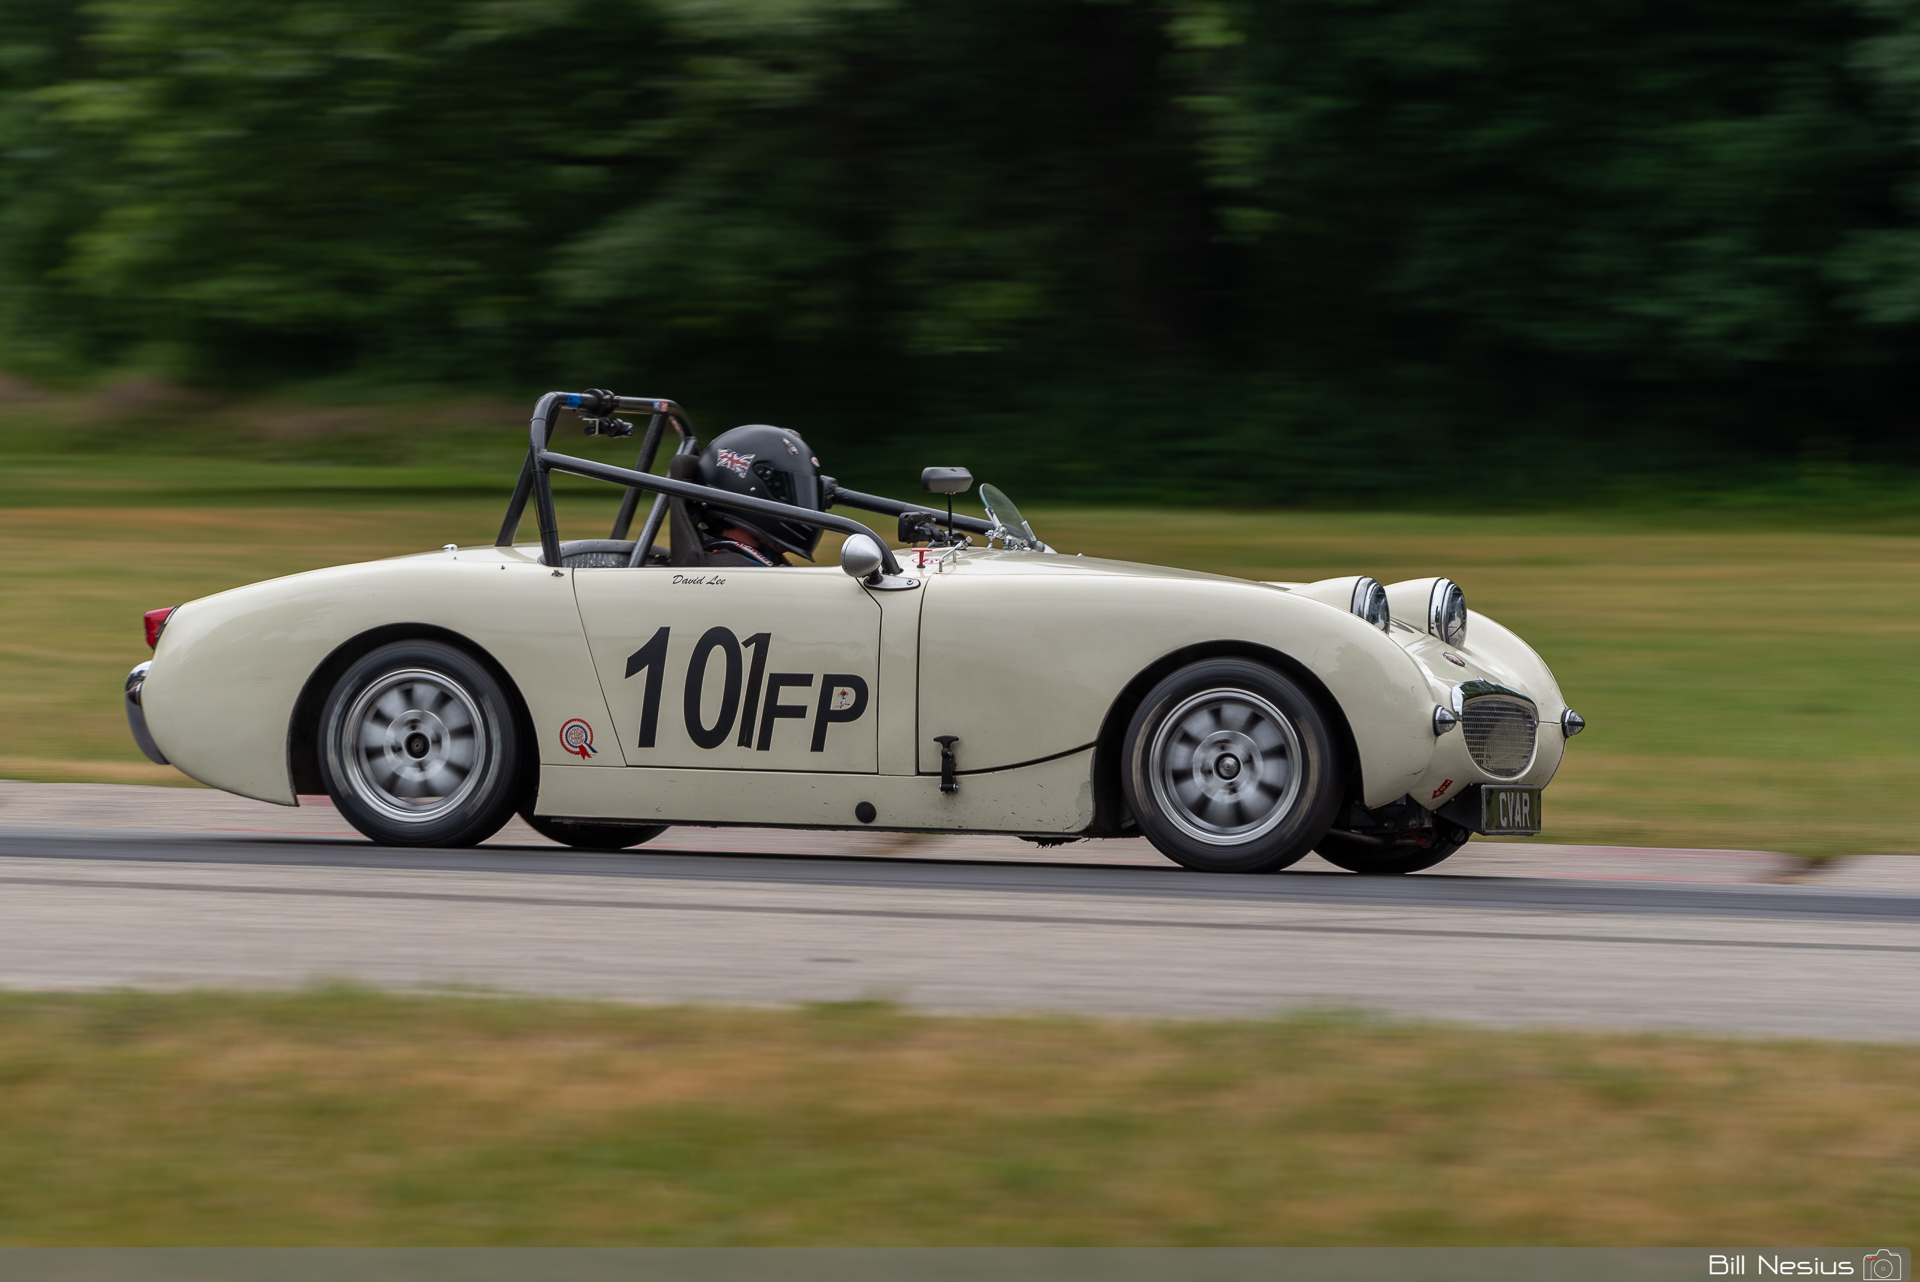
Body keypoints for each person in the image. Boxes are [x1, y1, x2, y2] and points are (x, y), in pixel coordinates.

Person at [668, 424, 828, 568]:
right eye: (788, 495)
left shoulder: (756, 557)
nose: (798, 505)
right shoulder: (731, 569)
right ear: (750, 487)